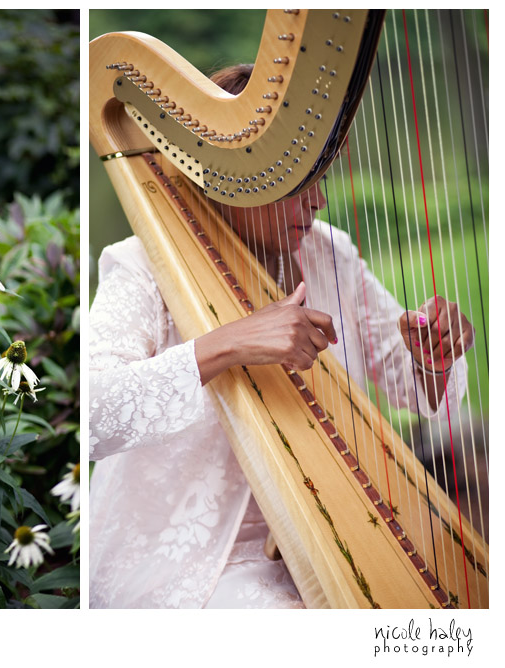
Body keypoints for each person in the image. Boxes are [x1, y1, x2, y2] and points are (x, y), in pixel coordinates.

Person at [88, 63, 475, 609]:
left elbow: (419, 391)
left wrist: (431, 357)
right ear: (232, 178)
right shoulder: (142, 266)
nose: (317, 202)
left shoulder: (329, 253)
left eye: (322, 178)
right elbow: (91, 415)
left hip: (330, 530)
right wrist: (227, 344)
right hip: (192, 563)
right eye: (297, 183)